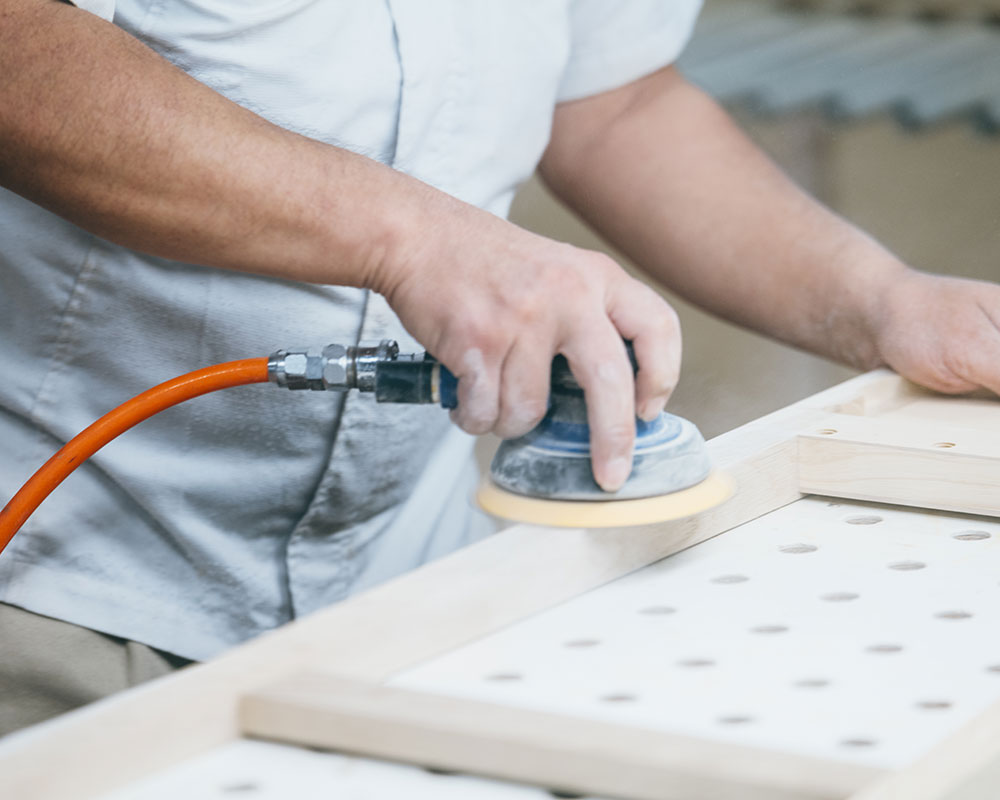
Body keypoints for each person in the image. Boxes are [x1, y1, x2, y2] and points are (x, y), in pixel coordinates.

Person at [2, 0, 999, 737]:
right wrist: (411, 238)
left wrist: (880, 298)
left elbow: (618, 102)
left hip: (413, 585)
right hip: (66, 580)